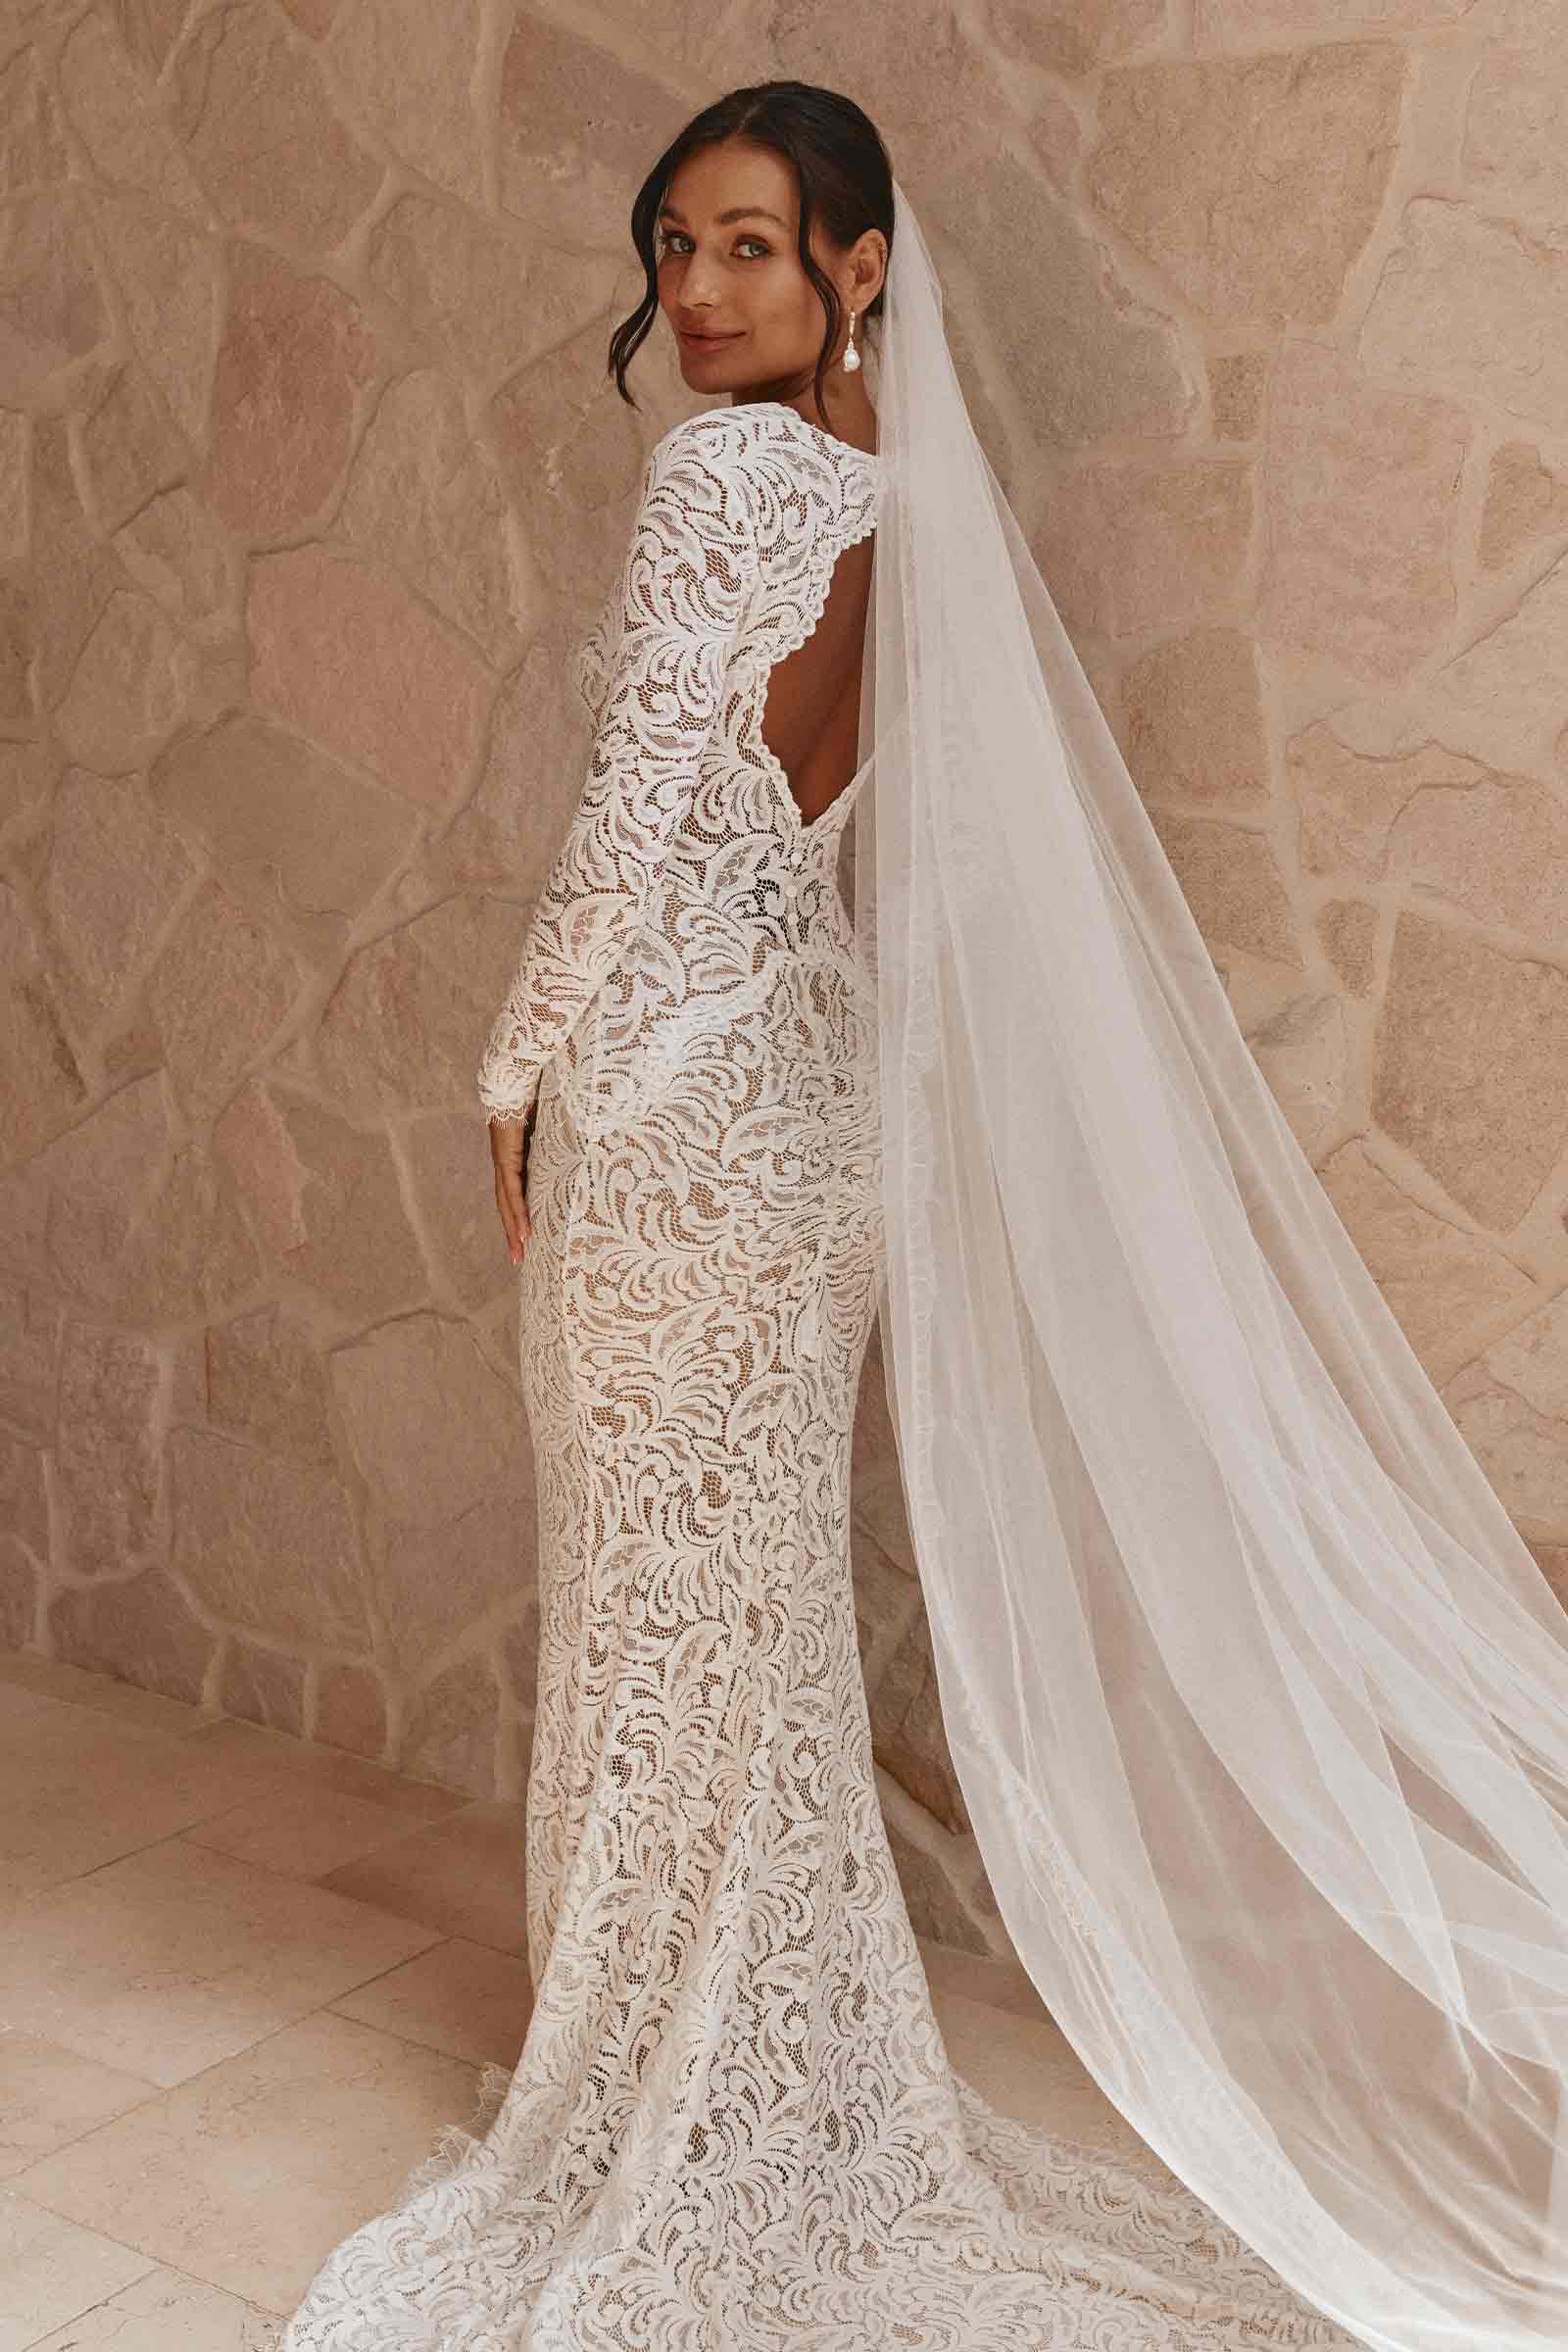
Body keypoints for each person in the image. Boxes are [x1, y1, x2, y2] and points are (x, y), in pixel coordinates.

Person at [279, 81, 1568, 2352]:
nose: (695, 289)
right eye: (673, 243)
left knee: (650, 1610)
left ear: (856, 269)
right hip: (807, 1104)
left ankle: (659, 2099)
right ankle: (766, 2080)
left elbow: (635, 808)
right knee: (751, 1616)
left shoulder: (724, 479)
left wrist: (507, 1061)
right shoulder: (904, 505)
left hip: (671, 1107)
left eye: (748, 244)